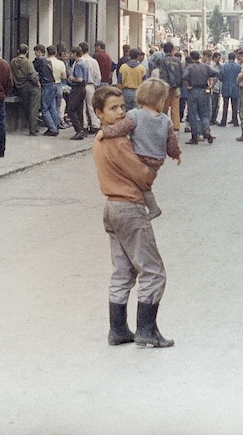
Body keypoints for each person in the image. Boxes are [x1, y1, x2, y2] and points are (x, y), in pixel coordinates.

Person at [91, 85, 173, 348]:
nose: (120, 113)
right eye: (113, 109)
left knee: (123, 271)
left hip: (112, 207)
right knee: (153, 271)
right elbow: (142, 175)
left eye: (122, 107)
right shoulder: (117, 141)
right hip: (129, 207)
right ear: (98, 113)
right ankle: (147, 331)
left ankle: (117, 330)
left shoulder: (100, 138)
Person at [98, 78, 181, 220]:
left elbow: (120, 128)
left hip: (140, 157)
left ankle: (153, 209)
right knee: (145, 186)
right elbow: (172, 142)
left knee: (140, 184)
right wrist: (176, 155)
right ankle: (153, 208)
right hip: (157, 161)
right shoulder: (166, 120)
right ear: (161, 99)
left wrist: (105, 132)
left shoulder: (135, 115)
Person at [181, 50, 217, 144]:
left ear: (191, 57)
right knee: (204, 114)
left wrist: (187, 86)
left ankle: (194, 137)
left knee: (193, 114)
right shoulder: (205, 67)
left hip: (193, 91)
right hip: (203, 91)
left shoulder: (189, 67)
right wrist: (211, 85)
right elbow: (216, 74)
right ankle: (206, 131)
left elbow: (184, 77)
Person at [147, 42, 183, 133]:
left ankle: (163, 125)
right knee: (175, 108)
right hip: (176, 87)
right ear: (172, 50)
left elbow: (162, 74)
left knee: (164, 107)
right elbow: (180, 73)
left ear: (163, 49)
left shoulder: (161, 60)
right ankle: (176, 127)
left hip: (166, 87)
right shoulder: (177, 60)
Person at [10, 44, 41, 136]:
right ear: (27, 51)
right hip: (31, 86)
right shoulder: (27, 62)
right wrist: (38, 84)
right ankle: (33, 128)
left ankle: (31, 126)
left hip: (20, 87)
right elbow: (32, 75)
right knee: (33, 108)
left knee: (27, 107)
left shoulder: (13, 61)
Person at [33, 44, 60, 136]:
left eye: (35, 51)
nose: (35, 53)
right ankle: (55, 126)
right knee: (52, 108)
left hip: (46, 85)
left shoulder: (39, 60)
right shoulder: (48, 60)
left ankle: (52, 129)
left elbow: (32, 70)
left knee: (44, 109)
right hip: (53, 84)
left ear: (39, 51)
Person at [66, 46, 90, 140]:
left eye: (72, 53)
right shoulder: (83, 64)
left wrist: (72, 78)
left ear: (75, 54)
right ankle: (82, 130)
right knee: (79, 110)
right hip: (83, 88)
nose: (71, 55)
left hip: (77, 88)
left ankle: (79, 129)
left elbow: (80, 79)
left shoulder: (78, 64)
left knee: (70, 109)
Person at [79, 42, 102, 133]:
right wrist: (95, 84)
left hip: (81, 86)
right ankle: (95, 125)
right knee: (91, 106)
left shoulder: (79, 61)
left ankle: (84, 125)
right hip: (90, 85)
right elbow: (98, 75)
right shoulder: (94, 61)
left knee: (82, 107)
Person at [218, 50, 240, 127]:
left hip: (226, 87)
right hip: (235, 87)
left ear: (228, 58)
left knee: (225, 105)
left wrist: (224, 80)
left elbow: (220, 76)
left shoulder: (224, 66)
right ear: (235, 58)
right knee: (235, 105)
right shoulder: (238, 67)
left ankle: (223, 121)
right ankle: (235, 121)